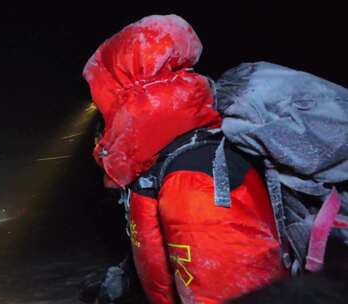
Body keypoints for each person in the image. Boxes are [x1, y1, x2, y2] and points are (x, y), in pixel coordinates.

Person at [82, 15, 287, 303]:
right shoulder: (161, 162)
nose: (102, 112)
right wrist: (125, 279)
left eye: (103, 98)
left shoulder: (194, 178)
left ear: (129, 97)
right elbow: (162, 258)